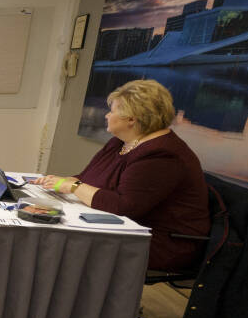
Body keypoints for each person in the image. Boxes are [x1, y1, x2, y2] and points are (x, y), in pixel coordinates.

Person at [36, 79, 209, 271]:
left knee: (58, 244)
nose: (107, 115)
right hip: (122, 227)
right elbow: (87, 178)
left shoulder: (163, 154)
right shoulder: (121, 142)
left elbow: (123, 206)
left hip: (160, 243)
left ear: (132, 118)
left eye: (113, 110)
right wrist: (62, 182)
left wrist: (74, 187)